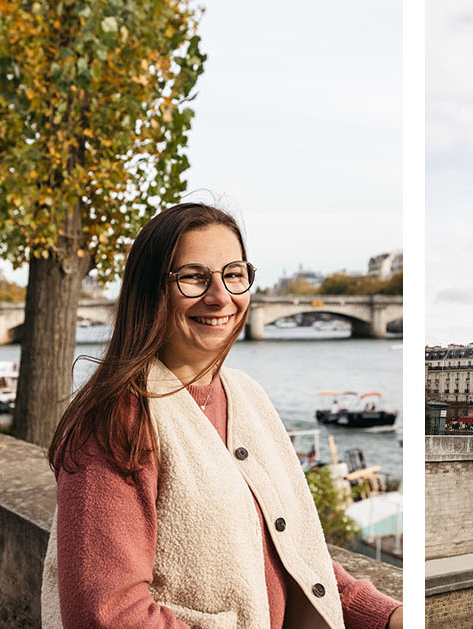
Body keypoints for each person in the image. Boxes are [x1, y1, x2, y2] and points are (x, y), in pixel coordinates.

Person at [42, 203, 403, 628]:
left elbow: (293, 554)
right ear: (150, 291)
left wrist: (387, 616)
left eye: (233, 274)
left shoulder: (248, 395)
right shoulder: (117, 416)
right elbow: (107, 616)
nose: (220, 296)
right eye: (194, 277)